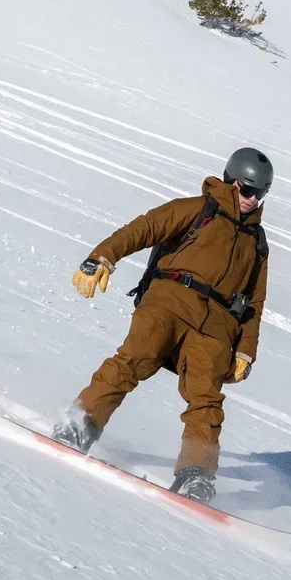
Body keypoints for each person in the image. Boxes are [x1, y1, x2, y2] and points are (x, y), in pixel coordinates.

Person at [53, 147, 274, 504]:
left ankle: (196, 474)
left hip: (215, 327)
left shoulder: (257, 243)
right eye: (247, 190)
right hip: (169, 300)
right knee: (135, 359)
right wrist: (101, 257)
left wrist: (246, 350)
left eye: (260, 193)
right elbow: (145, 228)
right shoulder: (197, 210)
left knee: (206, 400)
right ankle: (79, 425)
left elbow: (255, 303)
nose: (253, 199)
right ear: (231, 182)